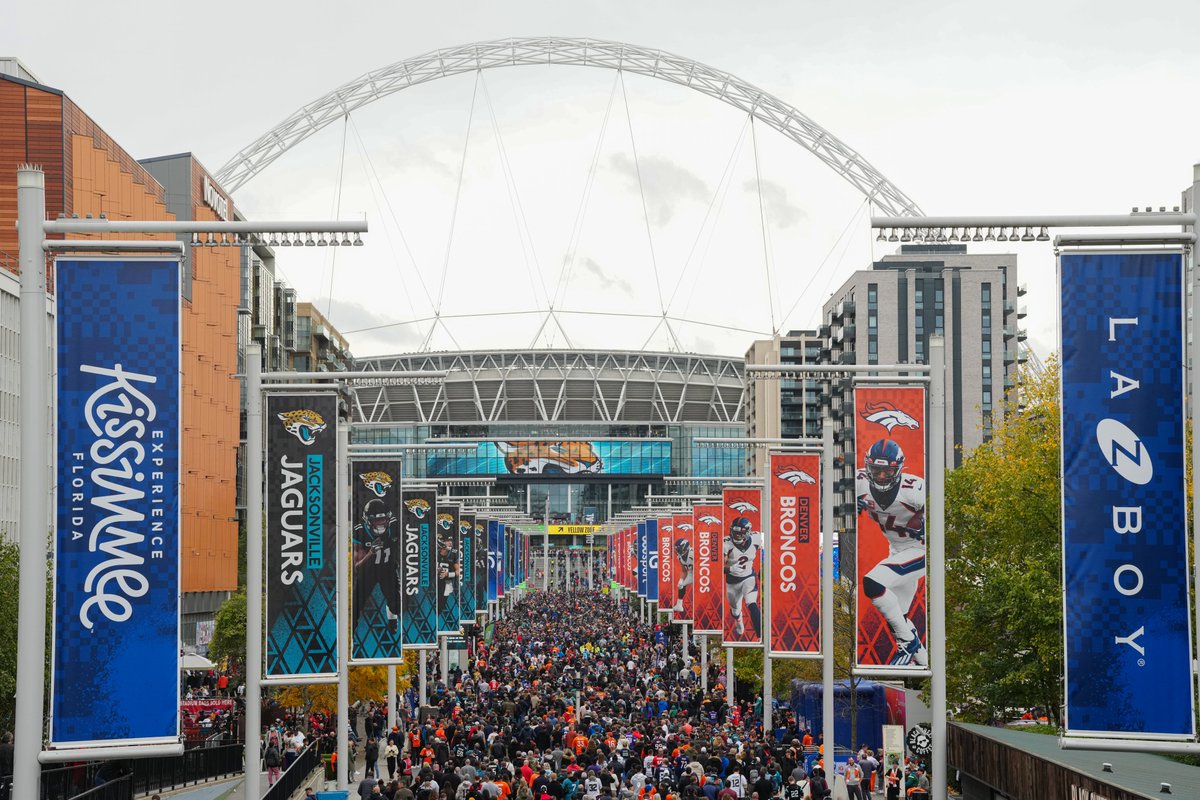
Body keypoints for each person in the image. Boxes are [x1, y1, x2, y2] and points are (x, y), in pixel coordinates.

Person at [856, 439, 928, 667]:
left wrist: (926, 523)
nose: (881, 476)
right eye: (876, 470)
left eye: (887, 471)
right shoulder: (858, 483)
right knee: (897, 618)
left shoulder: (914, 490)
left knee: (872, 583)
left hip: (921, 550)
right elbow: (827, 506)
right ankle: (924, 663)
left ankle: (907, 642)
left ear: (898, 470)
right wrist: (847, 506)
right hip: (896, 550)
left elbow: (948, 515)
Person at [354, 497, 402, 634]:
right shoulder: (360, 531)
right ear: (368, 520)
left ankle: (392, 619)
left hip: (387, 569)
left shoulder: (394, 526)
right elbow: (357, 566)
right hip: (367, 572)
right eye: (376, 520)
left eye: (383, 519)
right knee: (355, 605)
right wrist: (370, 553)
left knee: (397, 605)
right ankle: (351, 633)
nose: (380, 523)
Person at [722, 517, 763, 638]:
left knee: (752, 603)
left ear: (748, 532)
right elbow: (719, 566)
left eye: (740, 533)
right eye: (735, 532)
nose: (737, 535)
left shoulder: (756, 538)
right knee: (735, 610)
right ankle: (739, 620)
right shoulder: (726, 544)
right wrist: (729, 569)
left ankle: (760, 636)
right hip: (732, 582)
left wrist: (763, 567)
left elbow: (771, 549)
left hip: (748, 578)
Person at [672, 535, 693, 614]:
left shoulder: (693, 553)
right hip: (691, 573)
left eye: (679, 549)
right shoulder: (680, 557)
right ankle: (679, 605)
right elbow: (684, 571)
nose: (678, 551)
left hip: (700, 573)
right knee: (681, 586)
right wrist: (681, 580)